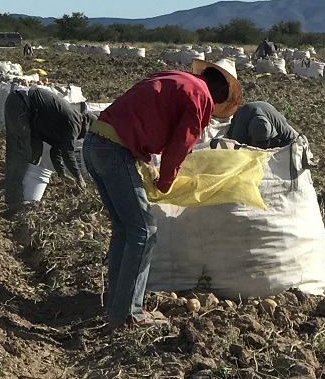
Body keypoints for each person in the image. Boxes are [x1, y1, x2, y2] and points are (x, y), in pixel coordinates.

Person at [84, 58, 241, 330]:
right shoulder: (199, 96)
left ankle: (117, 306)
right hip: (114, 152)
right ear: (219, 93)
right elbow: (180, 145)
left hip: (95, 143)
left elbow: (141, 115)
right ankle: (130, 313)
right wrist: (166, 182)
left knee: (126, 228)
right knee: (145, 231)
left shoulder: (174, 78)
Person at [2, 85, 88, 210]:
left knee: (35, 153)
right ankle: (14, 199)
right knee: (21, 151)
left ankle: (24, 193)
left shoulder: (66, 127)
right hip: (21, 102)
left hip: (32, 116)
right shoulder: (75, 120)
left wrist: (62, 173)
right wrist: (78, 177)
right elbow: (67, 151)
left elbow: (56, 151)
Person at [223, 100, 299, 149]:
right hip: (243, 114)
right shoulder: (240, 128)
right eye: (260, 143)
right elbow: (235, 149)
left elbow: (291, 141)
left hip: (267, 111)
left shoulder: (280, 125)